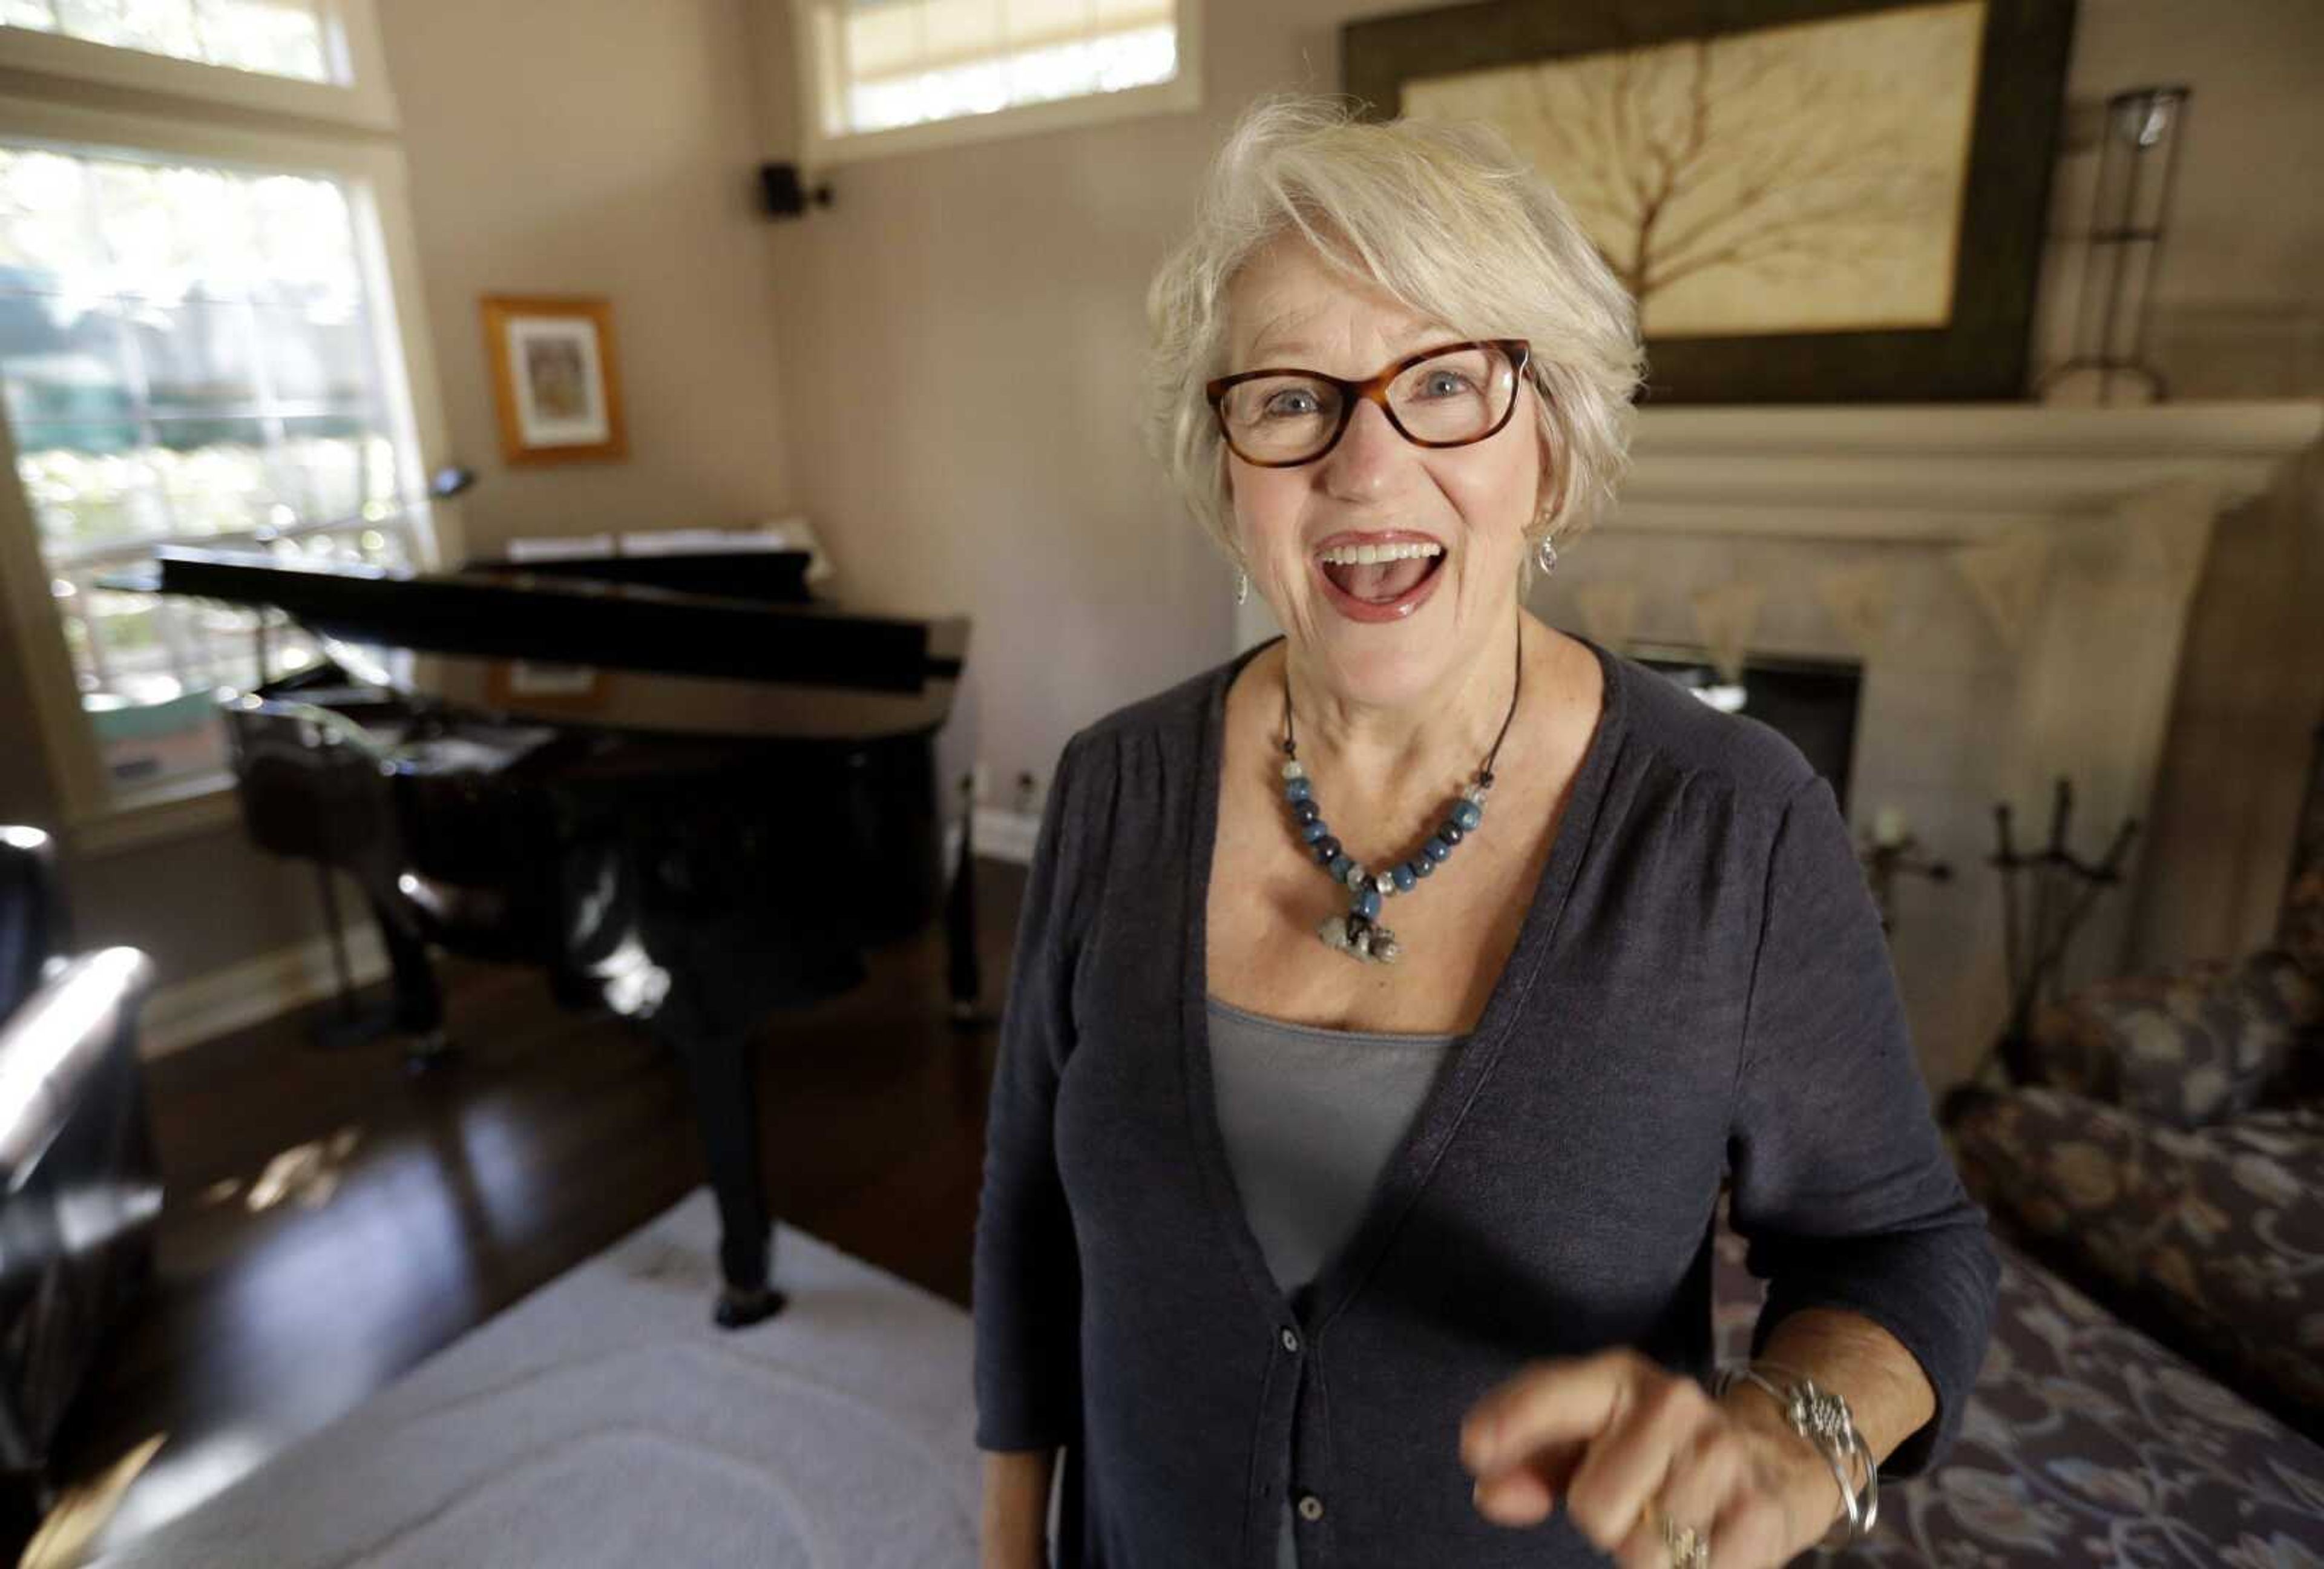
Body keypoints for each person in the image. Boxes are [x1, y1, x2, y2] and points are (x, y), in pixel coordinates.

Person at [973, 93, 1999, 1569]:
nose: (1365, 466)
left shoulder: (1732, 826)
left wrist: (1792, 1431)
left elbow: (1905, 1245)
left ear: (1554, 448)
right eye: (1287, 398)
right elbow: (1027, 1223)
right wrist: (1011, 1546)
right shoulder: (1112, 785)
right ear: (1228, 473)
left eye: (1447, 384)